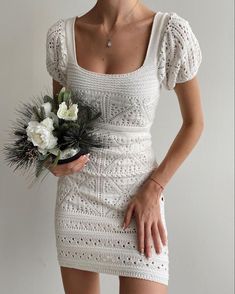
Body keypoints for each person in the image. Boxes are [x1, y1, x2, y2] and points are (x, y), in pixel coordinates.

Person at [45, 0, 204, 293]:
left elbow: (194, 123)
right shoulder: (63, 36)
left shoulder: (169, 32)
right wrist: (52, 160)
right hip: (77, 202)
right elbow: (59, 126)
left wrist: (154, 188)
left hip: (141, 203)